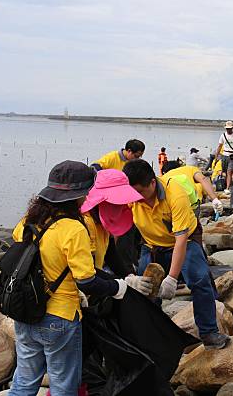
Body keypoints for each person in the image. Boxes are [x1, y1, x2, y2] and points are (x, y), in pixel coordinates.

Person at [9, 161, 144, 395]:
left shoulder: (28, 221)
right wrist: (118, 287)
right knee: (64, 387)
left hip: (25, 313)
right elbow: (86, 280)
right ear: (82, 194)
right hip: (59, 317)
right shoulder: (74, 229)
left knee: (24, 382)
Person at [123, 160, 229, 349]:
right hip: (151, 243)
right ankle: (152, 336)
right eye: (133, 193)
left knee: (199, 278)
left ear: (152, 183)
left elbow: (180, 240)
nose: (136, 197)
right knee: (143, 290)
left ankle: (209, 332)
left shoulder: (175, 194)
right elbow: (118, 230)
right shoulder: (129, 196)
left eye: (140, 192)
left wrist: (171, 278)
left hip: (183, 240)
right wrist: (127, 273)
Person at [214, 121, 233, 192]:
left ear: (232, 128)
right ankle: (227, 184)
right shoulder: (223, 135)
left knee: (229, 171)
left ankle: (227, 188)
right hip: (224, 155)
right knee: (225, 172)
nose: (228, 130)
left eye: (229, 128)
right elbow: (219, 146)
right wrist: (216, 156)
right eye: (227, 129)